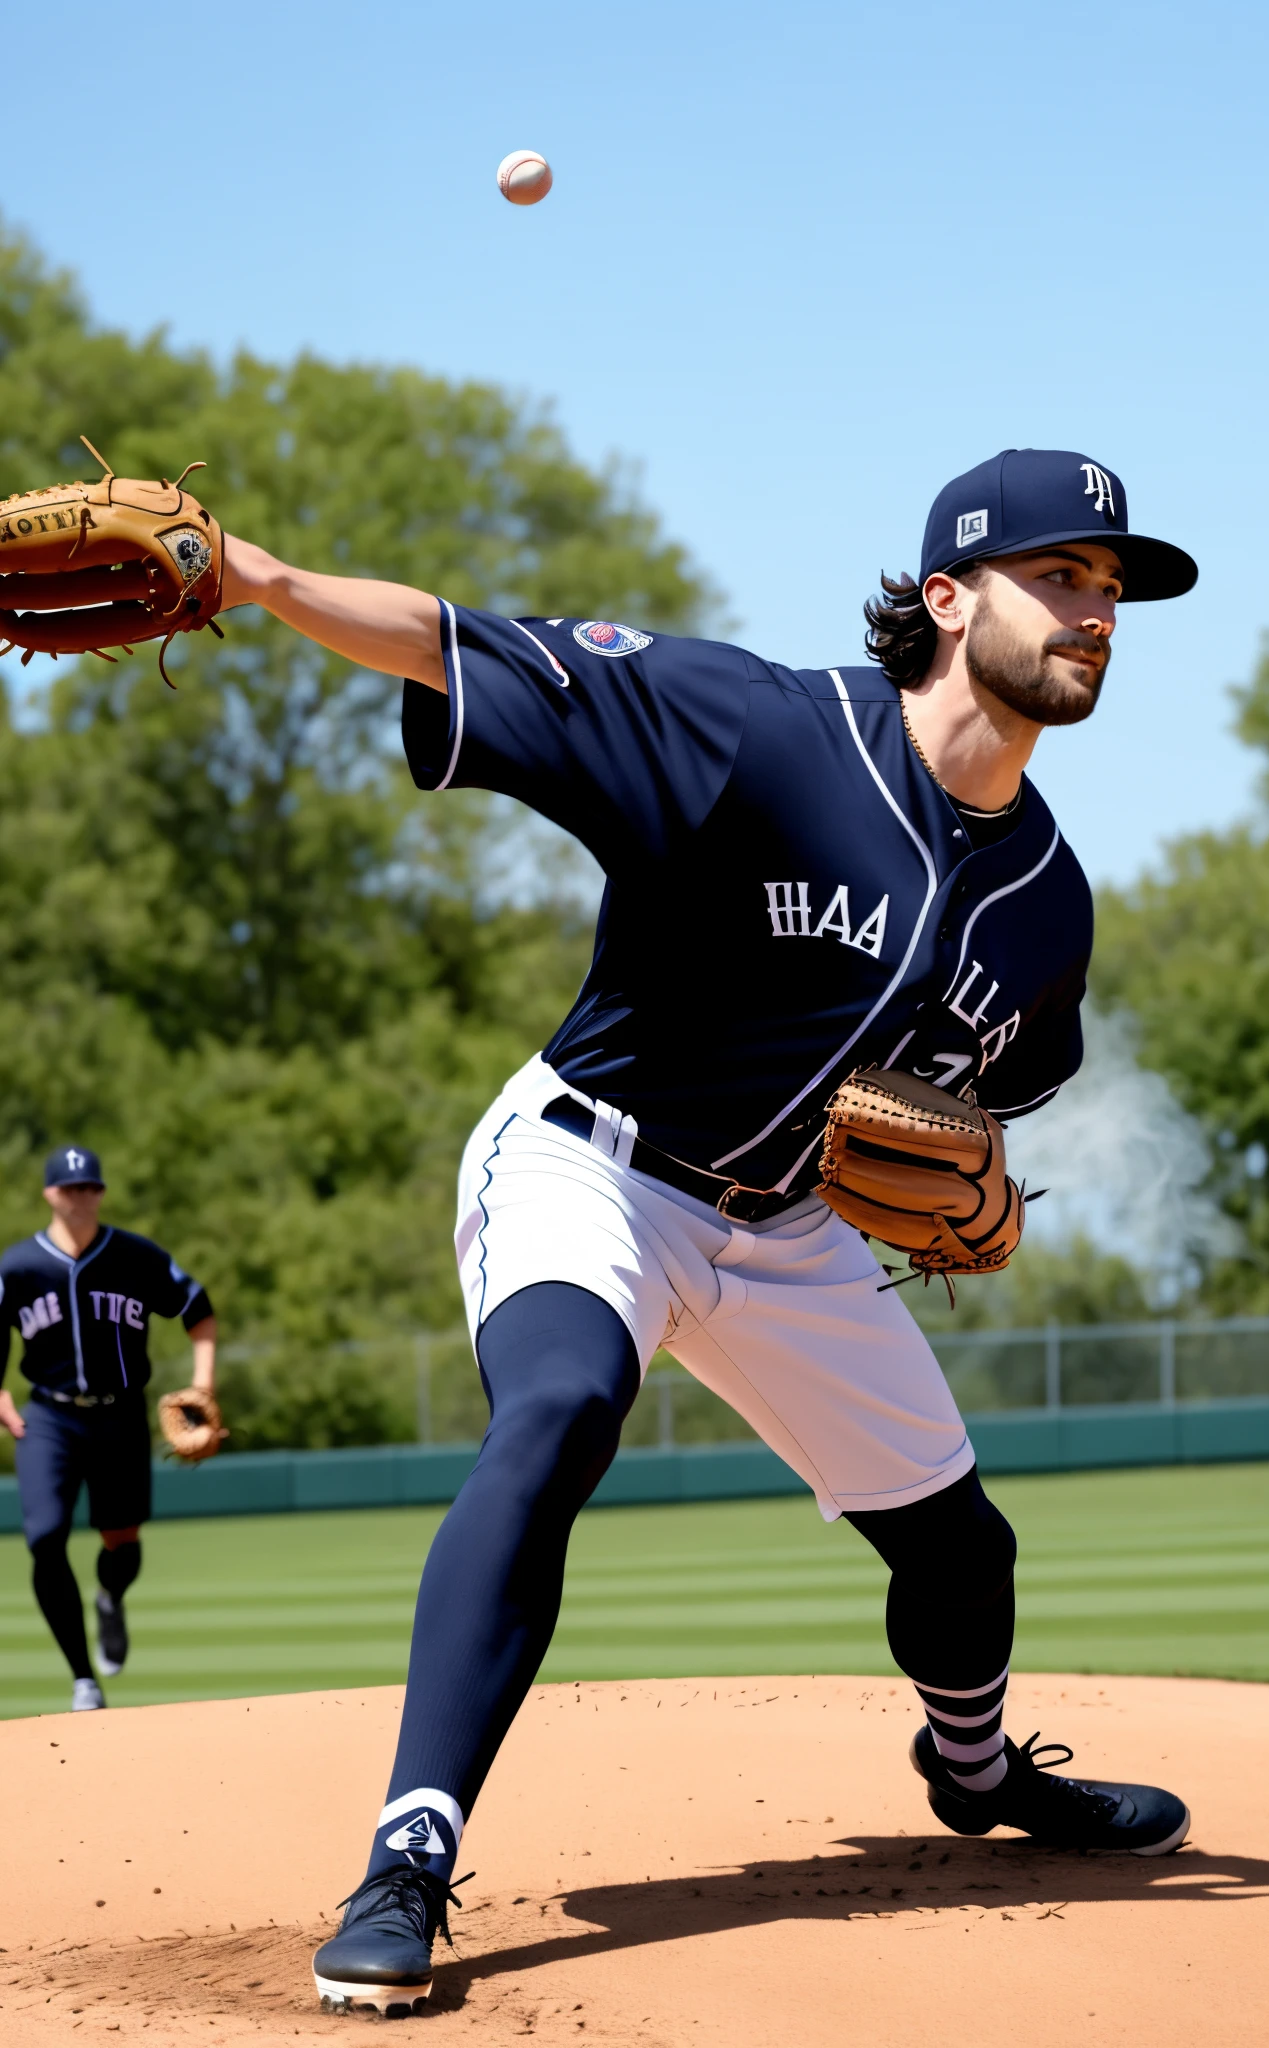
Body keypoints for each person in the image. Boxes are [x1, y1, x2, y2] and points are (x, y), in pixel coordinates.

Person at [218, 447, 1198, 2016]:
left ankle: (976, 1772)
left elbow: (977, 1105)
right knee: (559, 1413)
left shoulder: (1046, 902)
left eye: (1112, 588)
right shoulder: (759, 727)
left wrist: (990, 1198)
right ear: (949, 598)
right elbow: (459, 644)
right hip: (592, 1164)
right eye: (1061, 576)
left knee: (964, 1547)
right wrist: (257, 579)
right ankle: (408, 1854)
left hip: (788, 1227)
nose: (1097, 612)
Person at [0, 1145, 217, 1710]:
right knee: (45, 1538)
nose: (81, 1196)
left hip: (119, 1415)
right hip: (49, 1416)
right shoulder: (17, 1266)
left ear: (101, 1193)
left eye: (90, 1186)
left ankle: (110, 1597)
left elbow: (198, 1309)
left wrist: (202, 1387)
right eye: (70, 1187)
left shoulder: (136, 1256)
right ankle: (83, 1680)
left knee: (122, 1543)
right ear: (49, 1193)